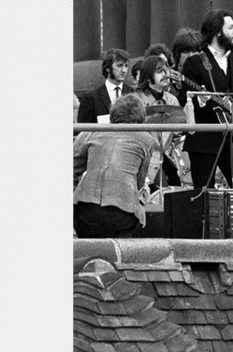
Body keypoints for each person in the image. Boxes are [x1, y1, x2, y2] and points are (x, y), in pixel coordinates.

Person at [178, 8, 233, 192]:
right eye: (231, 28)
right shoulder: (195, 63)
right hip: (205, 140)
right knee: (205, 193)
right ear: (218, 32)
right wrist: (200, 101)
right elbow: (184, 99)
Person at [73, 93, 156, 238]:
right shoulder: (147, 139)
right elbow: (139, 182)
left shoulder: (90, 132)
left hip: (85, 210)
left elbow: (72, 168)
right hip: (123, 212)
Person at [134, 54, 183, 187]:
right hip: (145, 158)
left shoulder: (172, 100)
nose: (165, 74)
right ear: (148, 75)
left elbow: (178, 134)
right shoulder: (135, 100)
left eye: (166, 70)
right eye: (160, 71)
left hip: (169, 158)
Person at [77, 47, 130, 123]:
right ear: (107, 68)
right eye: (119, 65)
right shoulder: (90, 98)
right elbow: (83, 130)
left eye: (126, 66)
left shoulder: (133, 93)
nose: (124, 70)